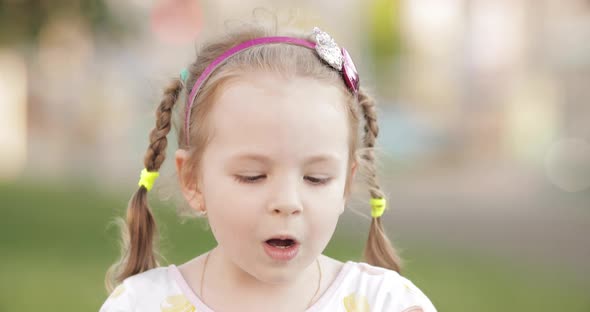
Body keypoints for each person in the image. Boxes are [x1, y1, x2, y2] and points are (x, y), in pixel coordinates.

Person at [99, 17, 437, 312]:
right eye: (253, 176)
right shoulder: (141, 305)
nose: (287, 202)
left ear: (346, 184)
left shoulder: (388, 304)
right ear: (193, 179)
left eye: (316, 178)